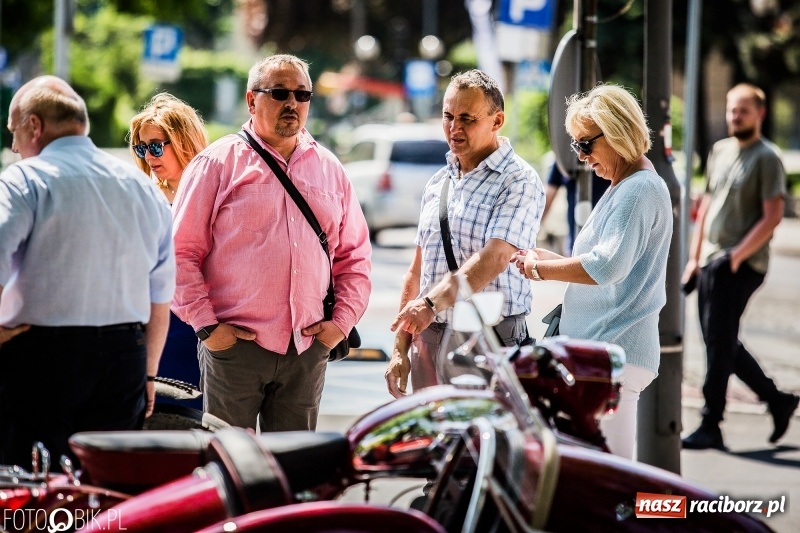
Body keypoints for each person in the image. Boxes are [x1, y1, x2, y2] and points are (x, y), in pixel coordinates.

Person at [171, 54, 371, 432]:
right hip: (235, 350)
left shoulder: (330, 169)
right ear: (251, 101)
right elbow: (179, 253)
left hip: (306, 350)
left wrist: (339, 325)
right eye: (279, 93)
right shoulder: (217, 163)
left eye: (302, 94)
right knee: (231, 469)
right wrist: (210, 330)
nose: (292, 103)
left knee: (295, 474)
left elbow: (355, 257)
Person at [0, 76, 174, 467]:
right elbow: (159, 295)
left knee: (32, 487)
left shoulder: (25, 180)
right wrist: (147, 375)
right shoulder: (143, 188)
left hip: (41, 357)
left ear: (33, 125)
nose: (13, 145)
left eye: (13, 131)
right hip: (123, 360)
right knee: (103, 486)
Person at [512, 84, 673, 460]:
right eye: (576, 146)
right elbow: (603, 264)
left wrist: (539, 270)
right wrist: (545, 259)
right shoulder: (627, 186)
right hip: (604, 355)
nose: (582, 157)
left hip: (611, 355)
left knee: (610, 481)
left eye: (586, 144)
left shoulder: (638, 190)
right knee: (594, 475)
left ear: (618, 131)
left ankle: (665, 520)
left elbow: (606, 267)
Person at [385, 69, 545, 398]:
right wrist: (400, 348)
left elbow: (496, 257)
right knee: (433, 443)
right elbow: (417, 271)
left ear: (497, 120)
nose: (454, 128)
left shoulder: (518, 180)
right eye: (448, 116)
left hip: (490, 336)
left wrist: (430, 303)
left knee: (489, 444)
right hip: (428, 337)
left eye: (467, 119)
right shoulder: (438, 182)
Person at [681, 83, 798, 451]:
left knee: (718, 342)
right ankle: (777, 399)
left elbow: (772, 217)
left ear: (760, 114)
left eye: (743, 110)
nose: (735, 116)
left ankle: (710, 423)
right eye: (732, 109)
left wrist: (735, 257)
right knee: (720, 341)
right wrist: (694, 259)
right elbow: (705, 210)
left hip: (742, 265)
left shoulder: (767, 157)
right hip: (711, 263)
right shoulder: (720, 150)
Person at [128, 93, 209, 408]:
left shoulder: (216, 191)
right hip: (153, 324)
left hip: (203, 327)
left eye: (157, 145)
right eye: (142, 147)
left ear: (184, 140)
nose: (149, 156)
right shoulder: (143, 196)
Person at [542, 163, 609, 254]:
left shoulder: (607, 159)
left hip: (604, 239)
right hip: (575, 238)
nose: (582, 156)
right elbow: (547, 198)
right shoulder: (565, 158)